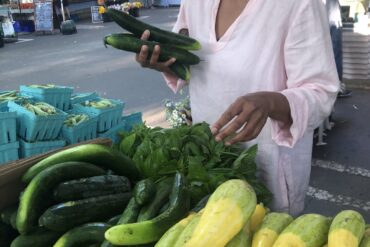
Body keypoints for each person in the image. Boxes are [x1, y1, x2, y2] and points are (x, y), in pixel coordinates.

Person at [135, 0, 339, 216]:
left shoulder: (299, 4)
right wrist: (162, 61)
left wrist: (270, 103)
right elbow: (186, 57)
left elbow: (321, 91)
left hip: (270, 169)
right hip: (208, 162)